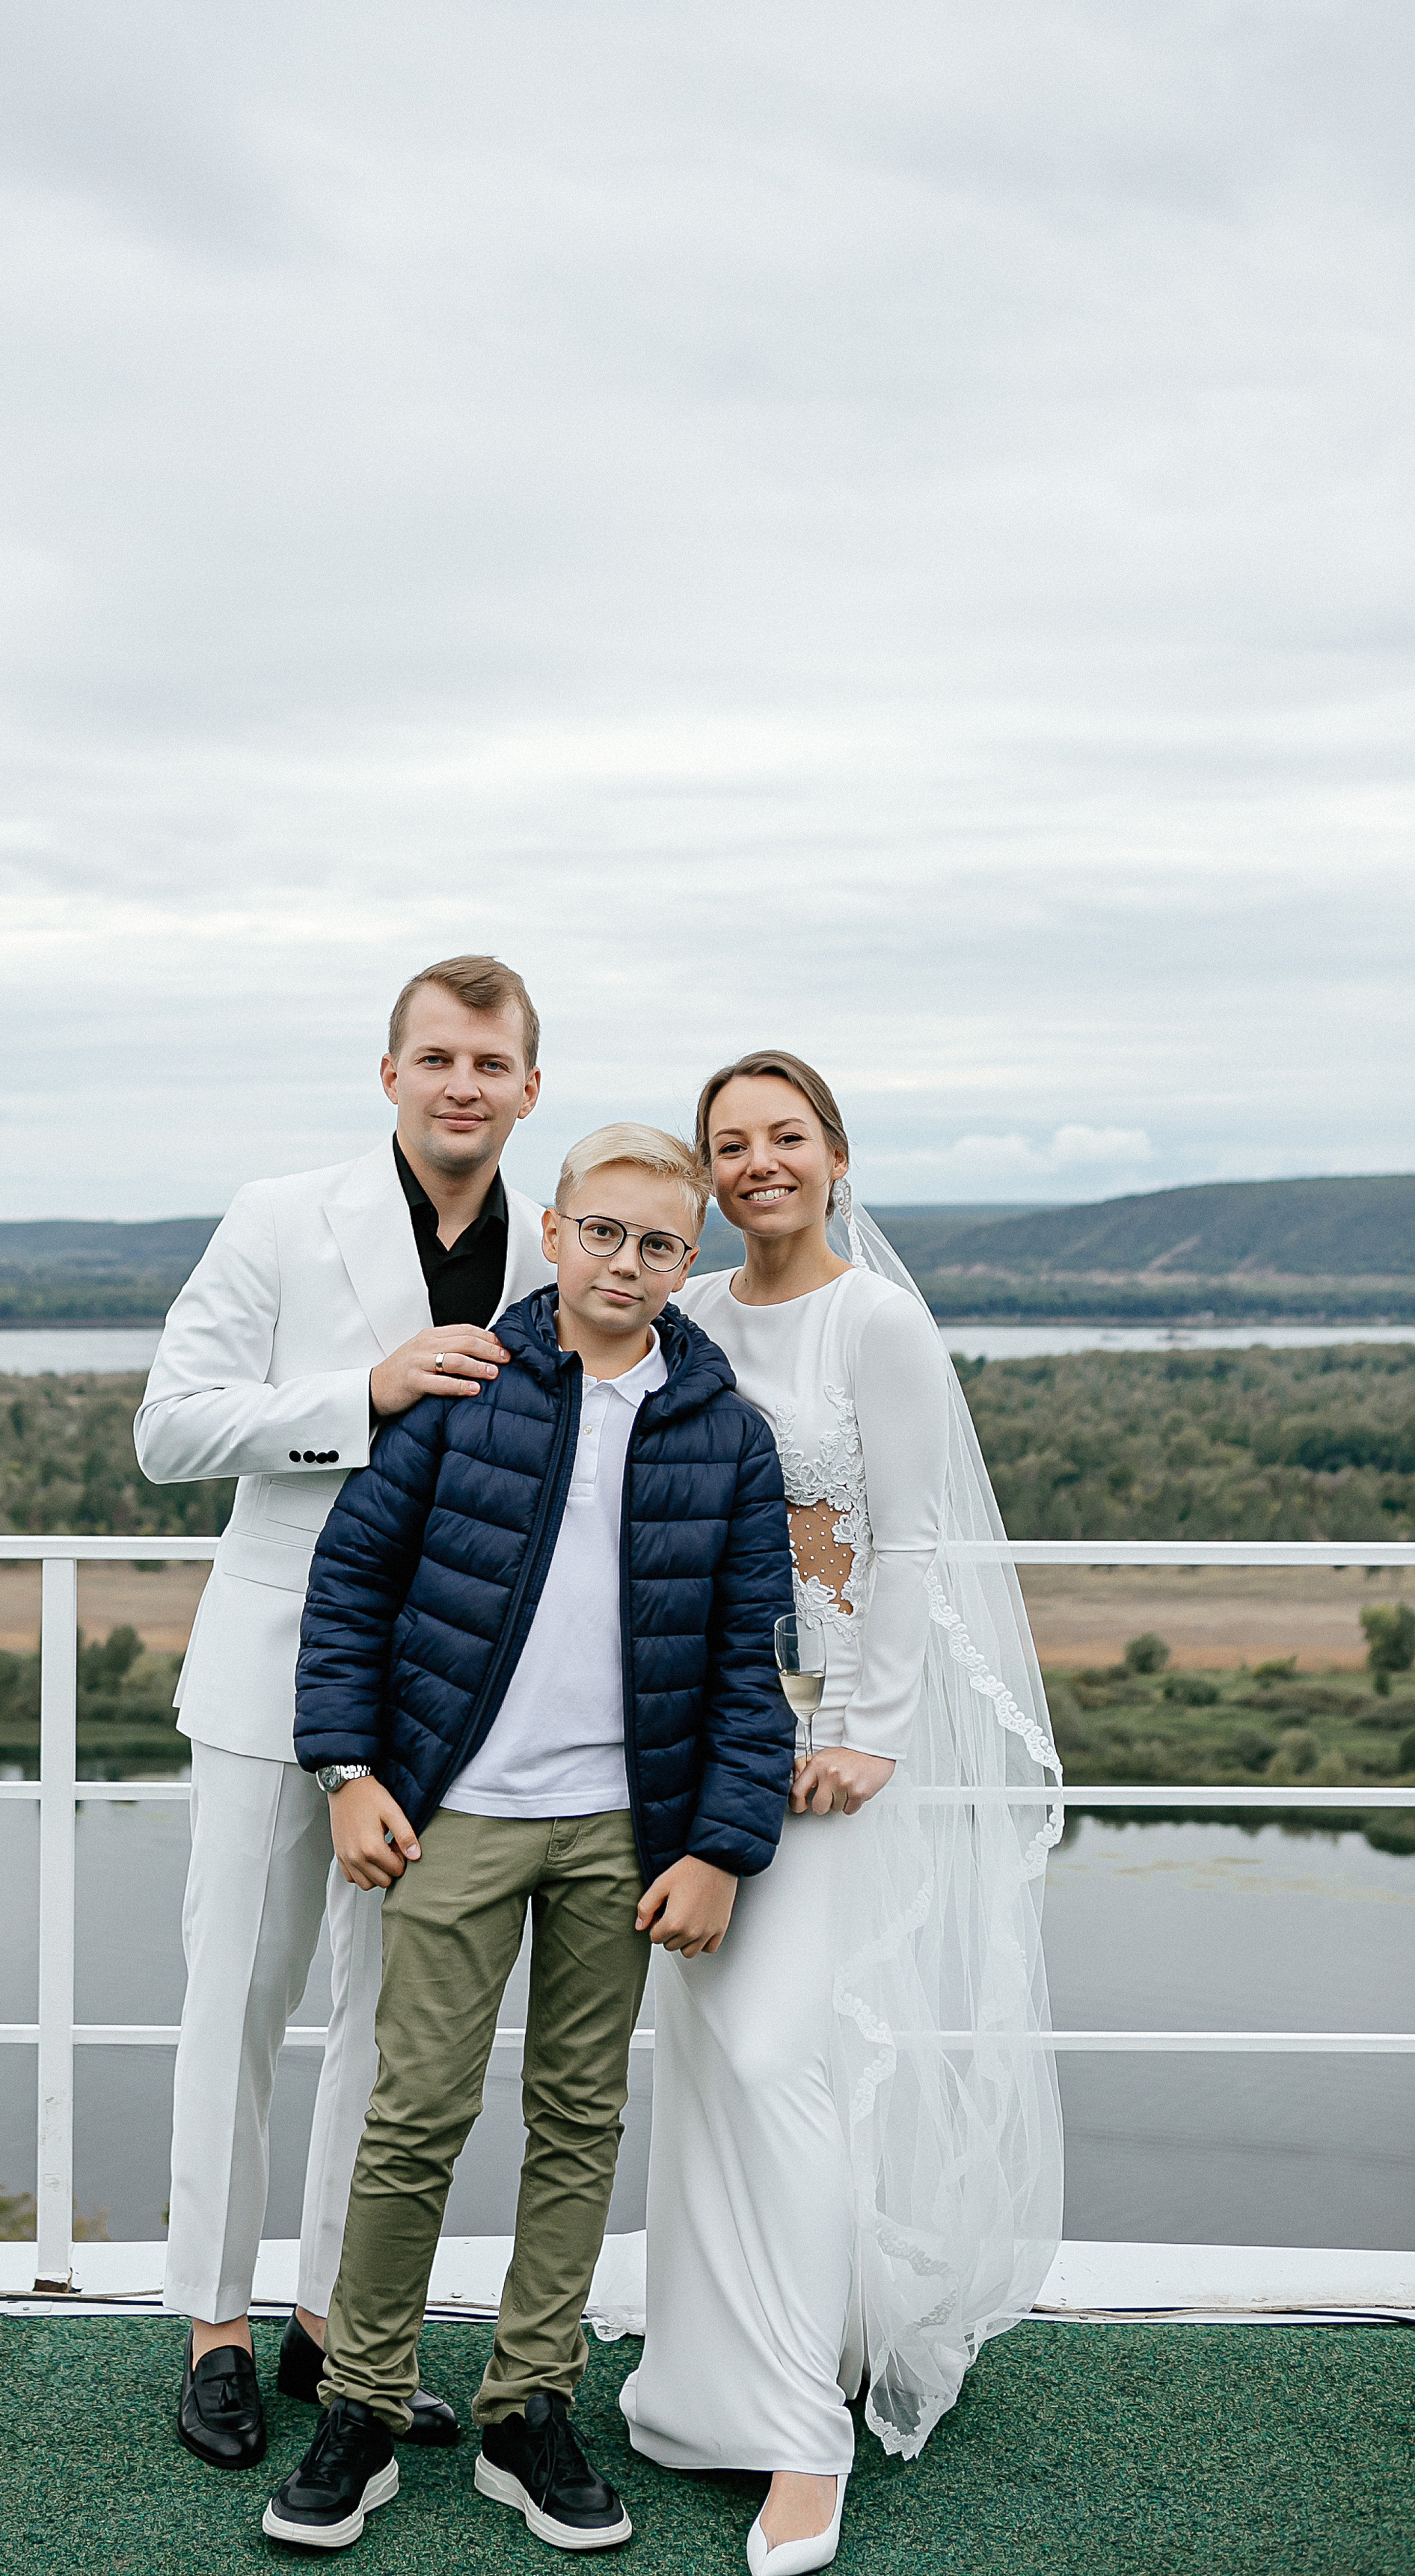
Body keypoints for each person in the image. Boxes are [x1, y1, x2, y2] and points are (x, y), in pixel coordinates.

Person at [265, 1124, 794, 2554]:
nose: (628, 1263)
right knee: (415, 2114)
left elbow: (751, 1660)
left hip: (629, 1833)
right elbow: (351, 1585)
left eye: (661, 1243)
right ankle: (364, 2408)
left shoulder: (725, 1432)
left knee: (578, 2121)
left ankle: (527, 2410)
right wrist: (347, 1769)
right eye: (604, 1232)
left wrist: (721, 1846)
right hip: (459, 1819)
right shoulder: (463, 1393)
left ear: (696, 1258)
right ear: (554, 1232)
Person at [618, 1052, 1064, 2576]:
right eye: (727, 1146)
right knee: (700, 2057)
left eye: (781, 1139)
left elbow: (918, 1540)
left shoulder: (874, 1320)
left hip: (821, 1754)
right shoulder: (689, 1316)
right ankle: (700, 2387)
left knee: (774, 2055)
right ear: (703, 1172)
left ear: (832, 1154)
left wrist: (869, 1733)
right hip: (689, 1742)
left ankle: (804, 2432)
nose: (755, 1165)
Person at [133, 954, 551, 2471]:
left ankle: (331, 2328)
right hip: (264, 1684)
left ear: (525, 1087)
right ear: (390, 1076)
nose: (461, 1085)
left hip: (441, 1704)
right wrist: (356, 1392)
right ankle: (215, 2331)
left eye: (489, 1064)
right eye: (435, 1057)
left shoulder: (549, 1249)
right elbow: (168, 1429)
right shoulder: (276, 1216)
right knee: (234, 2007)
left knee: (386, 2036)